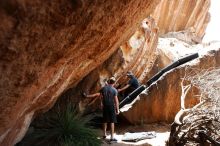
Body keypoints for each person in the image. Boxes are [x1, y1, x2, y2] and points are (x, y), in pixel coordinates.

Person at [83, 77, 119, 142]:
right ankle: (112, 137)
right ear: (114, 83)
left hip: (105, 106)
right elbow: (116, 101)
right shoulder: (114, 90)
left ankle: (104, 134)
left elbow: (100, 96)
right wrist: (117, 109)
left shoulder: (103, 88)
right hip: (111, 106)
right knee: (112, 121)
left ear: (108, 82)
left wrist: (101, 103)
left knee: (104, 120)